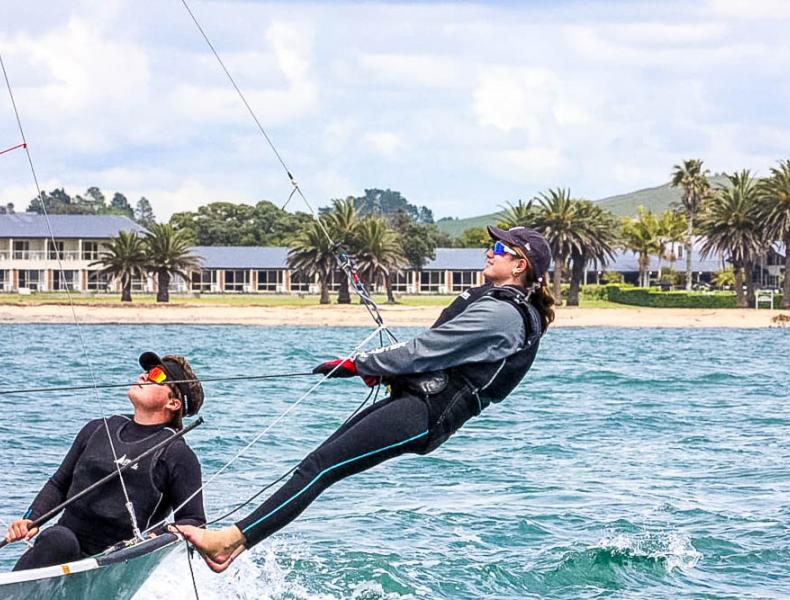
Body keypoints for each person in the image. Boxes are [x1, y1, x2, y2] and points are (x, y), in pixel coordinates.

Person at [177, 225, 555, 572]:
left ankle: (229, 542)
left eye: (499, 248)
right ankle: (233, 545)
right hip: (419, 402)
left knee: (320, 468)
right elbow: (443, 356)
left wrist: (359, 364)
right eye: (491, 245)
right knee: (316, 464)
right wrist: (386, 371)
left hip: (428, 413)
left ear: (519, 265)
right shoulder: (500, 304)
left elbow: (427, 349)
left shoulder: (504, 315)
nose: (489, 251)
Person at [4, 352, 206, 571]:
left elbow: (194, 520)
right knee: (58, 539)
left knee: (60, 539)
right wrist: (32, 518)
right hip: (62, 546)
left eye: (156, 375)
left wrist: (158, 535)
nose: (143, 376)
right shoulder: (97, 429)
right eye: (146, 372)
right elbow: (59, 483)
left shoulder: (177, 454)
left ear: (173, 403)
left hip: (118, 563)